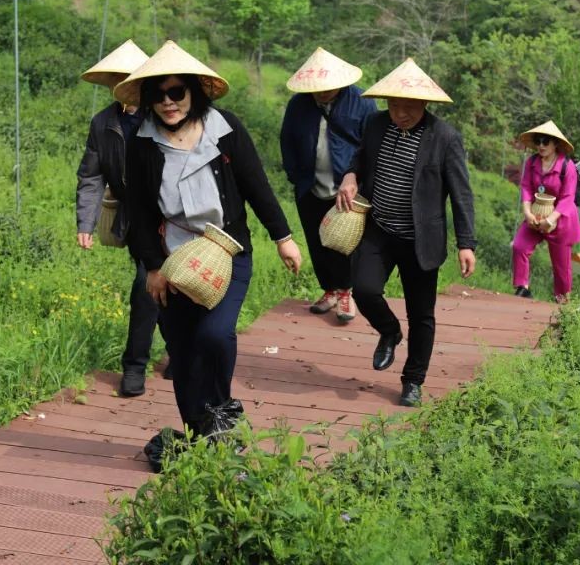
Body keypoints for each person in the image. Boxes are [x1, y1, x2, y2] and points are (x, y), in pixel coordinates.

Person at [116, 41, 302, 447]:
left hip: (227, 251)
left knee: (214, 336)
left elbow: (257, 186)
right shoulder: (142, 144)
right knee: (182, 352)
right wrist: (151, 267)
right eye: (159, 95)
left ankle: (222, 414)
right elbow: (141, 212)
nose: (168, 103)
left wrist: (283, 238)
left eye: (177, 93)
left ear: (194, 93)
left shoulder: (225, 129)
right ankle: (201, 436)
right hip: (173, 259)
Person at [335, 58, 476, 407]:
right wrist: (350, 176)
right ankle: (389, 330)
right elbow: (361, 159)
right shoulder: (375, 124)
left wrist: (466, 243)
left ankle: (413, 380)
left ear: (424, 103)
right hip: (379, 229)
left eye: (408, 106)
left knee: (422, 314)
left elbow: (461, 193)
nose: (400, 113)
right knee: (365, 291)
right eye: (394, 105)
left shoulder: (444, 137)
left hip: (420, 239)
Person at [75, 40, 163, 398]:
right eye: (116, 78)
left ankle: (157, 358)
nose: (122, 84)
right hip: (135, 219)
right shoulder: (103, 123)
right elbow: (92, 176)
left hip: (174, 215)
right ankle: (136, 366)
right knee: (148, 285)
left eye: (128, 77)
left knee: (167, 286)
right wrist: (86, 221)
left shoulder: (161, 115)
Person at [280, 47, 376, 323]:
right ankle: (330, 289)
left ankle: (347, 292)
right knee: (317, 240)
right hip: (310, 185)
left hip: (347, 188)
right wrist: (295, 175)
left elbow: (370, 145)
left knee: (345, 243)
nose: (322, 92)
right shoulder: (298, 105)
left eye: (328, 86)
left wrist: (358, 179)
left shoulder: (362, 102)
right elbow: (287, 140)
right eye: (317, 87)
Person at [510, 121, 580, 304]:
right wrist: (527, 212)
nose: (541, 146)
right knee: (519, 246)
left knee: (561, 267)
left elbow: (568, 198)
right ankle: (522, 287)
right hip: (536, 213)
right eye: (538, 141)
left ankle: (563, 303)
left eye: (545, 142)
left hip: (561, 220)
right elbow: (526, 187)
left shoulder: (567, 166)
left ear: (555, 144)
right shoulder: (532, 162)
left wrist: (551, 219)